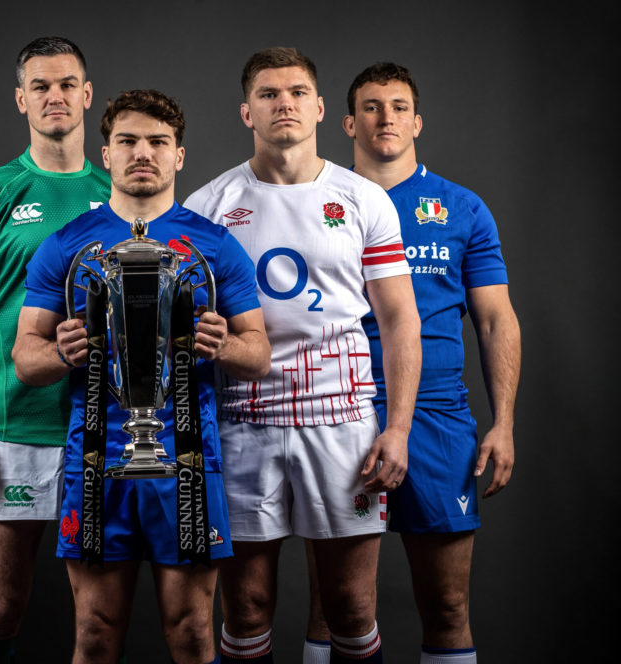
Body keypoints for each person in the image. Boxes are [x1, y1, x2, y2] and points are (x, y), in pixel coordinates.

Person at [15, 88, 270, 664]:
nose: (143, 153)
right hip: (95, 461)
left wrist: (224, 344)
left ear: (179, 155)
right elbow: (26, 359)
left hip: (188, 462)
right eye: (128, 141)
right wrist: (62, 352)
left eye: (158, 142)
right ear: (106, 154)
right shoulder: (68, 244)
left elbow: (258, 354)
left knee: (192, 633)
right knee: (95, 633)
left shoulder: (214, 245)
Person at [184, 47, 422, 664]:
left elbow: (399, 319)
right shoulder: (207, 207)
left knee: (350, 606)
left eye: (296, 93)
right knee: (247, 606)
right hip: (241, 420)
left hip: (340, 422)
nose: (283, 104)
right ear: (247, 112)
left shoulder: (364, 199)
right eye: (268, 94)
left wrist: (397, 429)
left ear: (318, 108)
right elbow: (186, 330)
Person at [305, 61, 519, 664]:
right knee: (334, 605)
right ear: (348, 123)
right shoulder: (318, 202)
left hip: (436, 417)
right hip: (339, 406)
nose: (386, 118)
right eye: (371, 107)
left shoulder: (461, 208)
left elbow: (495, 320)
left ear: (417, 122)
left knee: (447, 606)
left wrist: (504, 421)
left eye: (399, 107)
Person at [0, 36, 110, 663]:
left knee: (97, 619)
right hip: (12, 425)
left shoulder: (120, 191)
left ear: (86, 95)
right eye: (40, 86)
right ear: (19, 100)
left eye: (65, 84)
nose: (54, 96)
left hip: (105, 427)